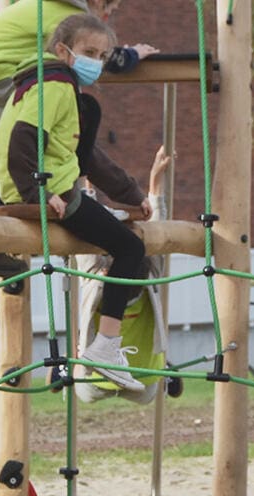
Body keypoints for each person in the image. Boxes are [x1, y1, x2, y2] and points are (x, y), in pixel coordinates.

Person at [0, 13, 158, 390]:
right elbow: (22, 140)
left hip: (55, 187)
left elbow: (88, 159)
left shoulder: (59, 87)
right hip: (53, 193)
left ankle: (105, 346)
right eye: (89, 51)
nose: (96, 62)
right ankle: (105, 346)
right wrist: (38, 194)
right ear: (63, 51)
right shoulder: (53, 86)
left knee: (125, 239)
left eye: (103, 55)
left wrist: (131, 195)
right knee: (130, 248)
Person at [0, 0, 154, 143]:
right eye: (109, 9)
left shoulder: (51, 5)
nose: (105, 17)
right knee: (57, 128)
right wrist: (131, 55)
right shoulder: (72, 16)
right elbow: (98, 56)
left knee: (11, 150)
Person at [75, 147, 175, 404]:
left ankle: (62, 370)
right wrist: (155, 182)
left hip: (93, 382)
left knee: (75, 376)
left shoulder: (97, 278)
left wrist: (87, 187)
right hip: (145, 381)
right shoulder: (151, 278)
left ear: (108, 270)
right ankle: (168, 370)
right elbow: (158, 229)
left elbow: (83, 233)